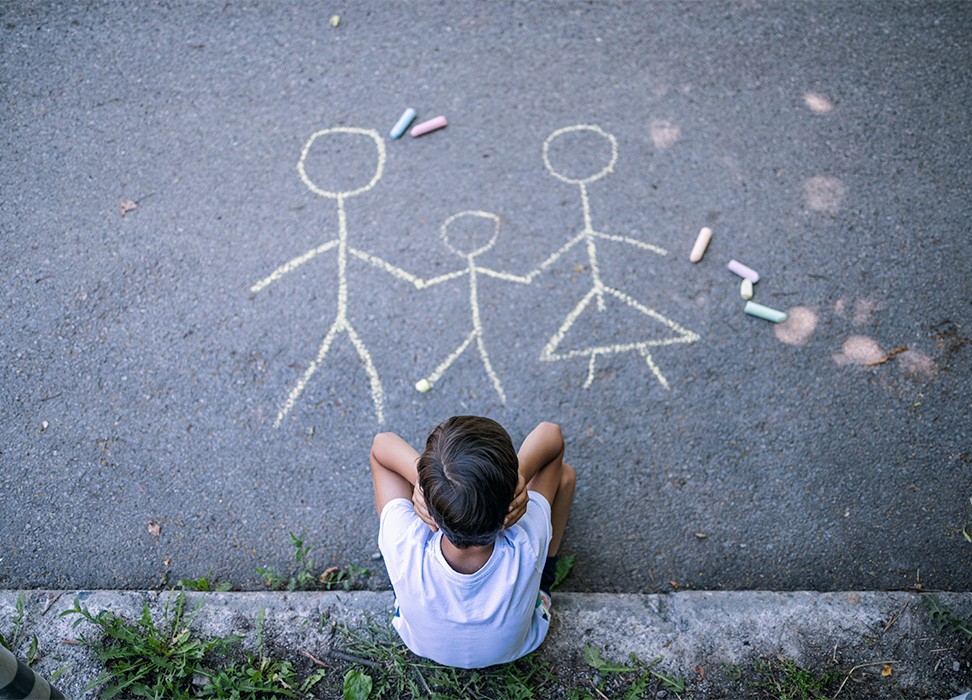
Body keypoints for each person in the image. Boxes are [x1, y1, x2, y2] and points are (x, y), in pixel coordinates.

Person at [370, 417, 576, 668]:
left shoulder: (405, 541)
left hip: (421, 643)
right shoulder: (526, 539)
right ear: (512, 506)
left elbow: (381, 445)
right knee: (564, 476)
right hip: (517, 645)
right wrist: (522, 474)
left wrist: (423, 483)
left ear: (429, 512)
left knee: (394, 479)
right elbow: (551, 434)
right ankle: (547, 573)